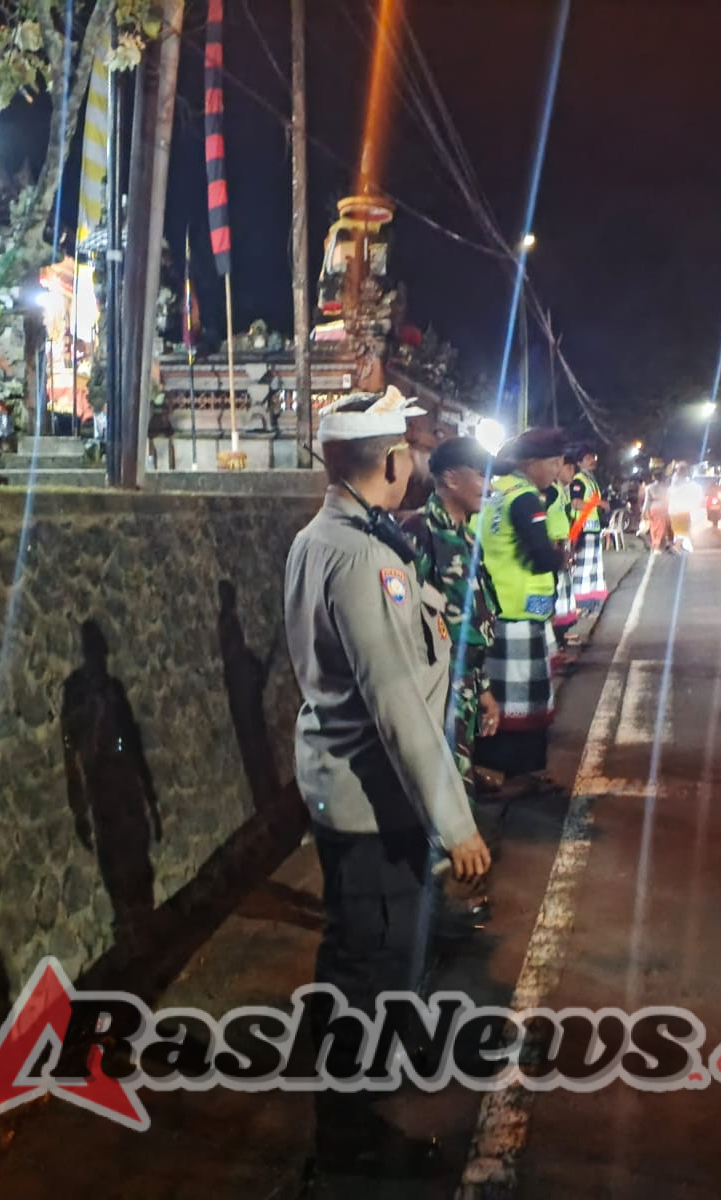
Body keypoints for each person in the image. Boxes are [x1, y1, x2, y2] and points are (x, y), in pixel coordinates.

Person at [285, 393, 491, 1181]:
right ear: (392, 462)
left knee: (360, 960)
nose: (416, 457)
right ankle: (349, 1143)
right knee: (370, 972)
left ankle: (351, 1125)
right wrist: (456, 823)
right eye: (411, 447)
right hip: (374, 800)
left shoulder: (325, 538)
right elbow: (399, 704)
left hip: (345, 785)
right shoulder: (365, 557)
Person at [401, 437, 503, 798]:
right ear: (451, 478)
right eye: (480, 475)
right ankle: (449, 850)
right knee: (442, 783)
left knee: (459, 772)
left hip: (467, 682)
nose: (488, 486)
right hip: (437, 682)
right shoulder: (419, 533)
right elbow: (405, 620)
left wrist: (484, 687)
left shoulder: (465, 536)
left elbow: (474, 620)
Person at [475, 428, 570, 783]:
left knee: (496, 694)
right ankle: (521, 775)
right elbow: (542, 555)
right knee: (523, 698)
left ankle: (492, 766)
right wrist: (559, 559)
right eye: (553, 462)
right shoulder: (527, 498)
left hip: (493, 606)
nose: (558, 469)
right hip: (521, 609)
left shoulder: (494, 493)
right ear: (530, 464)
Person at [569, 447, 611, 609]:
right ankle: (581, 601)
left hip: (592, 529)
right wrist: (599, 503)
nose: (593, 460)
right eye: (588, 458)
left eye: (593, 456)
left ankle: (592, 600)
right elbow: (576, 503)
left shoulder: (591, 480)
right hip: (582, 529)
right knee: (584, 566)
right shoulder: (579, 480)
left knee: (594, 566)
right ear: (579, 462)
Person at [547, 457, 579, 641]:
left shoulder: (559, 490)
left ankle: (560, 635)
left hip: (561, 544)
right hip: (552, 546)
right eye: (567, 467)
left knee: (561, 592)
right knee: (553, 594)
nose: (570, 472)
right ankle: (556, 639)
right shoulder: (548, 492)